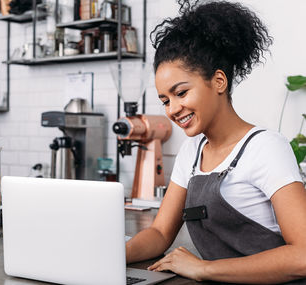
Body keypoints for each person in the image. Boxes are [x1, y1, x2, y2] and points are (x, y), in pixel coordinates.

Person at [125, 0, 306, 284]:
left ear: (219, 81)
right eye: (165, 100)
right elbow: (160, 234)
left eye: (181, 93)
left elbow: (303, 256)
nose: (172, 109)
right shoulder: (192, 152)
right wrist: (114, 254)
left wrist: (204, 269)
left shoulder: (266, 148)